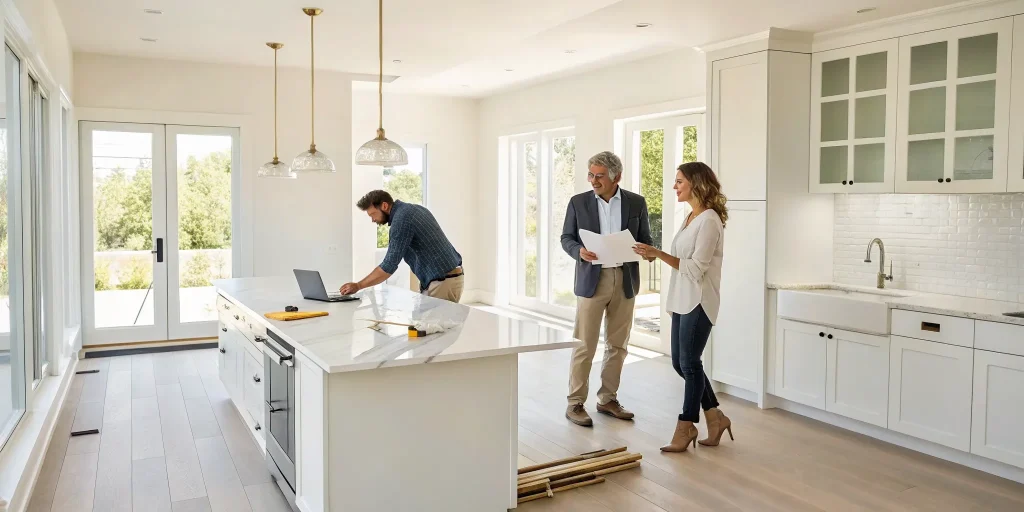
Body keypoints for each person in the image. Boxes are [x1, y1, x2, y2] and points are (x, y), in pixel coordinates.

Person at [633, 162, 731, 452]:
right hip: (682, 298)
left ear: (696, 183)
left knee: (689, 363)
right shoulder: (691, 217)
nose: (674, 186)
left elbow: (697, 268)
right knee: (681, 363)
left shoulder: (709, 220)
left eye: (679, 181)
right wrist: (655, 254)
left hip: (699, 299)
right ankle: (715, 417)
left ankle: (686, 425)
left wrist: (658, 253)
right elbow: (682, 260)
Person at [560, 151, 654, 427]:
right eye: (591, 174)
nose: (593, 180)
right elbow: (566, 237)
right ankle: (575, 403)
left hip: (625, 280)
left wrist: (646, 251)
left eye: (599, 176)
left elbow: (646, 238)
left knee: (618, 345)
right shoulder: (578, 202)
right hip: (592, 280)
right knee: (584, 344)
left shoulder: (636, 202)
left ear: (617, 177)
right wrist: (579, 251)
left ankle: (608, 399)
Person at [341, 190, 464, 303]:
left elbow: (389, 265)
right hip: (445, 278)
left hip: (442, 281)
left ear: (384, 206)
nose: (373, 220)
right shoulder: (414, 209)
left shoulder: (402, 219)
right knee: (423, 319)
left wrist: (358, 285)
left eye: (373, 214)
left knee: (436, 321)